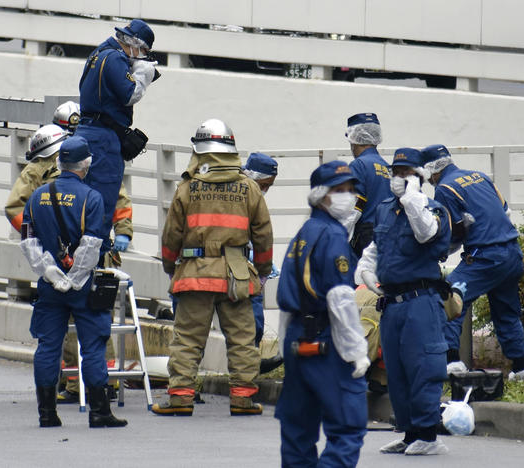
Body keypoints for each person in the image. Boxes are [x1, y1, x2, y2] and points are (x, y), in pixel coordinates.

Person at [152, 119, 273, 416]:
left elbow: (172, 235)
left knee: (188, 339)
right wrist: (262, 268)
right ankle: (243, 398)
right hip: (237, 275)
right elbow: (263, 234)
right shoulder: (249, 188)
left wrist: (170, 264)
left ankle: (181, 397)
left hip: (195, 273)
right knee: (243, 339)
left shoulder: (187, 188)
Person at [19, 135, 126, 428]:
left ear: (58, 162)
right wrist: (74, 279)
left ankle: (47, 413)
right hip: (83, 286)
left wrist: (52, 275)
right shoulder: (91, 197)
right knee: (93, 345)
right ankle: (99, 412)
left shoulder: (37, 196)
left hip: (49, 286)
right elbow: (92, 245)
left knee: (48, 346)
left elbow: (28, 243)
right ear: (87, 163)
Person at [356, 148, 451, 455]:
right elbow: (375, 246)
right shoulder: (385, 209)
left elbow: (426, 234)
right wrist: (367, 269)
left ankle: (428, 434)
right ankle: (410, 433)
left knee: (423, 366)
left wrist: (412, 197)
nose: (399, 178)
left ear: (419, 176)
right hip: (392, 303)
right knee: (396, 371)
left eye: (406, 172)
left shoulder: (433, 208)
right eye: (395, 171)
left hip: (420, 301)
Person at [275, 160, 370, 467]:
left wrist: (283, 344)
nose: (347, 196)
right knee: (347, 427)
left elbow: (287, 296)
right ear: (320, 195)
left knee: (298, 430)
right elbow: (340, 297)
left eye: (350, 189)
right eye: (338, 190)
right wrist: (357, 350)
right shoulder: (332, 236)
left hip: (297, 338)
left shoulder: (305, 232)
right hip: (326, 341)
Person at [421, 144, 524, 380]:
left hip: (486, 257)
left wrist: (438, 252)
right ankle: (522, 368)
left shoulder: (445, 188)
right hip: (512, 253)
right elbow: (505, 211)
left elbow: (452, 231)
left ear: (432, 170)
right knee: (507, 312)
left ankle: (452, 363)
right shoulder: (479, 176)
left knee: (449, 299)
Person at [76, 18, 157, 255]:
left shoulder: (98, 53)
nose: (142, 56)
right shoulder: (115, 58)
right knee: (103, 197)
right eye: (143, 51)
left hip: (86, 131)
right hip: (103, 138)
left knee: (83, 195)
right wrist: (144, 73)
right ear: (134, 43)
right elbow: (130, 93)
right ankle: (97, 254)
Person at [240, 152, 283, 373]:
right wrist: (262, 263)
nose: (266, 190)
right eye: (265, 184)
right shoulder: (243, 194)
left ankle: (250, 365)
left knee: (251, 320)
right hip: (235, 266)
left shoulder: (247, 193)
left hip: (240, 263)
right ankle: (247, 370)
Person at [345, 112, 392, 257]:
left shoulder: (358, 166)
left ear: (353, 139)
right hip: (390, 236)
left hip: (367, 238)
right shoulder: (387, 167)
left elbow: (353, 210)